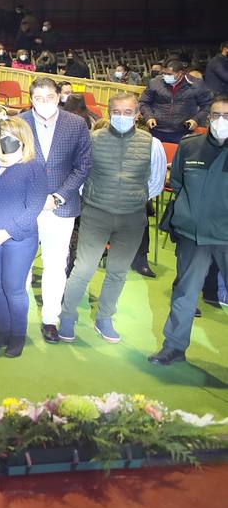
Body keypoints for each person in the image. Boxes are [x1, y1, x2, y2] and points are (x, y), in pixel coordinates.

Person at [57, 92, 167, 344]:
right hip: (96, 214)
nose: (121, 116)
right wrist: (99, 198)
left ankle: (104, 318)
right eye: (116, 112)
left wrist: (130, 197)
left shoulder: (152, 144)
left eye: (128, 112)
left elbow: (156, 183)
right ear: (109, 112)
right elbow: (81, 177)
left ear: (137, 114)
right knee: (82, 269)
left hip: (132, 218)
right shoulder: (92, 139)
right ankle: (67, 316)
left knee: (117, 272)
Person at [149, 95, 228, 366]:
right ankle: (173, 347)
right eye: (216, 115)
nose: (220, 121)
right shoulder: (190, 146)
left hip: (225, 236)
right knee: (184, 292)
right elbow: (179, 183)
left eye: (226, 116)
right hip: (192, 234)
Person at [19, 77, 93, 343]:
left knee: (56, 264)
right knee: (22, 263)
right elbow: (11, 162)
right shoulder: (20, 122)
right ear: (31, 99)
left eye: (49, 97)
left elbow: (83, 166)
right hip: (27, 205)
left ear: (58, 96)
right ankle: (19, 315)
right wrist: (38, 197)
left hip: (62, 207)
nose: (44, 103)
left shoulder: (76, 124)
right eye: (38, 98)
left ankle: (51, 319)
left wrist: (59, 196)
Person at [0, 117, 50, 358]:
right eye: (3, 134)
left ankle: (17, 336)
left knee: (14, 289)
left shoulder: (33, 167)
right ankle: (2, 332)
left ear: (24, 139)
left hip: (19, 238)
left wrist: (8, 232)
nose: (7, 140)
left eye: (14, 136)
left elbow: (34, 206)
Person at [139, 58, 212, 144]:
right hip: (157, 129)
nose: (165, 76)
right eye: (163, 73)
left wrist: (196, 119)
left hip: (183, 131)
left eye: (169, 74)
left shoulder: (195, 85)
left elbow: (207, 105)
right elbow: (144, 102)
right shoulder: (155, 83)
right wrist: (149, 116)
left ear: (180, 73)